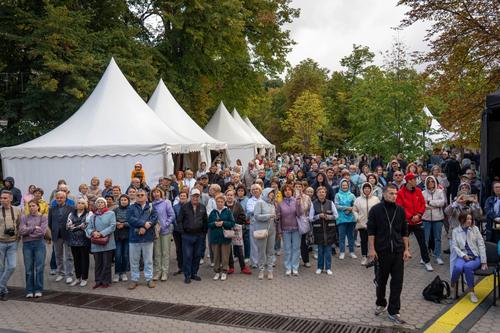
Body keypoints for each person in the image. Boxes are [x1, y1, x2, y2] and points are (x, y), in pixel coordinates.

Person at [367, 184, 411, 325]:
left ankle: (394, 311)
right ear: (384, 193)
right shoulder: (376, 210)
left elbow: (404, 232)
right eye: (391, 193)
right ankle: (381, 303)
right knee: (381, 281)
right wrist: (372, 250)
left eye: (395, 193)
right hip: (382, 251)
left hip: (397, 251)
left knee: (397, 282)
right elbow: (371, 231)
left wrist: (406, 249)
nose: (394, 196)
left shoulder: (400, 211)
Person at [396, 173, 432, 272]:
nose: (416, 181)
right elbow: (400, 207)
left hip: (418, 221)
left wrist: (419, 215)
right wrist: (411, 217)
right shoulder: (400, 193)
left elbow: (422, 204)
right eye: (414, 180)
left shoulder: (418, 191)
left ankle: (426, 261)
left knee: (422, 243)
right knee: (403, 243)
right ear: (409, 181)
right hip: (406, 222)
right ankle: (400, 263)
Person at [444, 183, 482, 276]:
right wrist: (456, 202)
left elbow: (478, 216)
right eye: (461, 196)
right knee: (454, 257)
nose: (463, 199)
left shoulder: (469, 208)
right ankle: (453, 277)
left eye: (465, 196)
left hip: (467, 236)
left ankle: (465, 277)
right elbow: (446, 211)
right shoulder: (454, 207)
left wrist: (476, 204)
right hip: (453, 235)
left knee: (466, 256)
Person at [451, 213, 488, 303]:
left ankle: (472, 292)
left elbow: (481, 245)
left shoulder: (475, 229)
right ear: (462, 220)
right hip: (463, 256)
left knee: (467, 267)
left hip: (475, 257)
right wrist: (464, 255)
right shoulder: (455, 231)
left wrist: (484, 262)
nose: (469, 221)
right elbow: (455, 246)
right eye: (467, 219)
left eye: (471, 219)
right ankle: (452, 284)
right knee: (457, 268)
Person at [127, 189, 158, 289]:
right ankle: (134, 280)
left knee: (148, 260)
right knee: (134, 260)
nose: (140, 196)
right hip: (134, 238)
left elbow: (155, 218)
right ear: (135, 196)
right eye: (138, 195)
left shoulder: (151, 206)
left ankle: (149, 279)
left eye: (142, 195)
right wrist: (143, 224)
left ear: (146, 196)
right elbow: (130, 219)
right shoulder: (131, 207)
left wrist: (145, 227)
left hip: (147, 237)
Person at [177, 188, 208, 284]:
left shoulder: (202, 207)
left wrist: (204, 233)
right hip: (187, 236)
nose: (195, 198)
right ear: (190, 196)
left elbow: (205, 221)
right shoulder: (185, 207)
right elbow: (179, 220)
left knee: (197, 255)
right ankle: (187, 275)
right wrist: (182, 231)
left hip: (199, 236)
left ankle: (194, 273)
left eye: (197, 196)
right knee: (187, 255)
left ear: (199, 197)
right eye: (194, 196)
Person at [85, 197, 116, 289]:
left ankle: (106, 281)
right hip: (96, 242)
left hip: (107, 241)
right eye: (98, 202)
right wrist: (93, 232)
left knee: (106, 263)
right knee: (98, 263)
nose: (100, 204)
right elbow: (88, 227)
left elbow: (113, 226)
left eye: (102, 202)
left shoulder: (111, 213)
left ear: (105, 204)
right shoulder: (93, 216)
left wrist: (101, 233)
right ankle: (98, 281)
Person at [19, 200, 47, 298]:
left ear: (38, 207)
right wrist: (34, 227)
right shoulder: (24, 217)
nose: (31, 207)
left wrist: (28, 230)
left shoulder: (43, 217)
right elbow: (21, 231)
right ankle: (29, 290)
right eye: (29, 206)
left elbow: (42, 232)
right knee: (28, 269)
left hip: (39, 244)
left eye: (33, 205)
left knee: (39, 268)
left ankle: (38, 289)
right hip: (27, 245)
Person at [310, 186, 338, 275]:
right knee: (320, 250)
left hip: (329, 230)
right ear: (317, 194)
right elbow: (310, 218)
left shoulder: (331, 203)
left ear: (326, 194)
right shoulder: (313, 204)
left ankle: (328, 268)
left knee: (328, 250)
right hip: (318, 230)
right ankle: (319, 267)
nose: (321, 194)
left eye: (323, 192)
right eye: (319, 192)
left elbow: (336, 216)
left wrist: (328, 216)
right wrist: (318, 216)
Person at [48, 191, 75, 284]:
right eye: (57, 198)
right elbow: (49, 222)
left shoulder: (71, 208)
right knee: (58, 255)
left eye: (61, 198)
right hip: (56, 235)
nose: (59, 199)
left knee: (69, 256)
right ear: (55, 198)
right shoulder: (52, 208)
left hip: (68, 235)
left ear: (65, 198)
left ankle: (69, 275)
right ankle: (60, 273)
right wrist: (53, 231)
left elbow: (74, 221)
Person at [277, 184, 303, 276]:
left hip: (296, 228)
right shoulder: (280, 203)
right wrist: (279, 231)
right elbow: (278, 218)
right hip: (285, 229)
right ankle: (288, 268)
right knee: (287, 249)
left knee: (296, 248)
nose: (287, 191)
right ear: (283, 192)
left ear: (292, 191)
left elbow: (300, 214)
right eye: (285, 190)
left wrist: (299, 205)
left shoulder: (296, 201)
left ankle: (295, 267)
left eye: (289, 190)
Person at [208, 194, 235, 281]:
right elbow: (208, 224)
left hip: (225, 238)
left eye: (221, 201)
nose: (220, 203)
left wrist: (223, 223)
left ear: (224, 202)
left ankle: (224, 271)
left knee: (225, 256)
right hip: (215, 237)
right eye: (218, 202)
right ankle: (216, 272)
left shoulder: (228, 211)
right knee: (216, 256)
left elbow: (232, 223)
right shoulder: (213, 212)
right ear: (216, 202)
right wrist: (214, 224)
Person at [66, 198, 91, 287]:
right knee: (76, 260)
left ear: (85, 205)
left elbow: (86, 225)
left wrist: (75, 226)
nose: (80, 204)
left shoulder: (89, 214)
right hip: (73, 240)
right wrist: (79, 226)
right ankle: (77, 278)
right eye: (78, 203)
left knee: (84, 260)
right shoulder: (71, 214)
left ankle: (84, 278)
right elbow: (68, 226)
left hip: (84, 240)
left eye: (82, 203)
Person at [253, 188, 278, 280]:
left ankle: (270, 270)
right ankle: (261, 270)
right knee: (261, 251)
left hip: (272, 230)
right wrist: (269, 216)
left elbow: (274, 217)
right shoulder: (260, 202)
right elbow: (256, 216)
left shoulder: (272, 204)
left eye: (273, 193)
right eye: (270, 193)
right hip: (261, 230)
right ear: (266, 193)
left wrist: (276, 217)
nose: (272, 195)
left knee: (271, 251)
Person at [151, 187, 175, 281]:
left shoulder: (166, 203)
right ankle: (158, 272)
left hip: (165, 231)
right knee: (157, 253)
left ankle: (165, 272)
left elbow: (172, 215)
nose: (156, 194)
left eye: (157, 192)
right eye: (154, 192)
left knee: (165, 252)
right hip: (155, 232)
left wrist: (165, 225)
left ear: (161, 193)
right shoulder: (151, 204)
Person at [353, 183, 380, 265]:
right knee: (363, 241)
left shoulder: (376, 199)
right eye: (365, 188)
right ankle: (364, 257)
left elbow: (380, 210)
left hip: (373, 224)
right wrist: (357, 217)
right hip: (362, 224)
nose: (367, 189)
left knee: (373, 241)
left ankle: (373, 256)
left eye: (368, 188)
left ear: (371, 189)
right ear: (362, 189)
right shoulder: (358, 200)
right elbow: (354, 210)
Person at [422, 176, 446, 265]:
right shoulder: (422, 193)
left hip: (438, 218)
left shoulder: (440, 191)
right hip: (426, 218)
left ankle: (438, 256)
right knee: (425, 239)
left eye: (432, 181)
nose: (431, 182)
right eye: (429, 181)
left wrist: (430, 202)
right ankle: (424, 256)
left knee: (438, 238)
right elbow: (422, 204)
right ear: (426, 183)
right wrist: (435, 203)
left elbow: (442, 203)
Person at [225, 189, 251, 274]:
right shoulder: (223, 205)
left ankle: (243, 267)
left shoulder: (238, 205)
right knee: (228, 248)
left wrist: (236, 222)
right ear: (226, 196)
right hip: (226, 229)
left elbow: (243, 216)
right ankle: (231, 267)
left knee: (239, 248)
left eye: (231, 195)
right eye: (228, 195)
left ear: (234, 196)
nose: (229, 197)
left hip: (236, 229)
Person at [335, 179, 357, 259]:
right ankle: (342, 252)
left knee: (351, 236)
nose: (344, 186)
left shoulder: (352, 195)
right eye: (343, 185)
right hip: (341, 219)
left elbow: (356, 204)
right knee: (341, 236)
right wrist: (347, 208)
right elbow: (336, 206)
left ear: (348, 186)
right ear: (340, 186)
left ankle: (351, 252)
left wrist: (352, 208)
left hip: (351, 218)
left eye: (346, 185)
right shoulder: (337, 195)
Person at [113, 194, 130, 282]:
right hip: (117, 236)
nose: (123, 201)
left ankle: (124, 272)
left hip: (127, 236)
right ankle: (117, 273)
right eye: (122, 200)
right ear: (119, 201)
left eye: (125, 200)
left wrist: (124, 224)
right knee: (118, 255)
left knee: (125, 255)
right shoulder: (115, 210)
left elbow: (132, 222)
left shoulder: (131, 210)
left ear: (128, 201)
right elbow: (112, 220)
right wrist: (117, 223)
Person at [246, 184, 263, 268]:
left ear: (260, 190)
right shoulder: (249, 200)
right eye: (254, 189)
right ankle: (254, 262)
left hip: (263, 223)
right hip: (254, 223)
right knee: (254, 243)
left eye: (257, 189)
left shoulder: (264, 199)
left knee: (262, 243)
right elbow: (250, 210)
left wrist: (258, 211)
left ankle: (262, 261)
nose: (255, 190)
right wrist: (261, 210)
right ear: (251, 191)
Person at [172, 191, 188, 276]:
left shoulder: (189, 206)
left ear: (187, 197)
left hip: (187, 231)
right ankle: (180, 267)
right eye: (181, 196)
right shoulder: (175, 207)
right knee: (179, 249)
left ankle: (187, 267)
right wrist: (178, 227)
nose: (182, 197)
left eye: (184, 196)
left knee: (186, 249)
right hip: (177, 231)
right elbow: (173, 218)